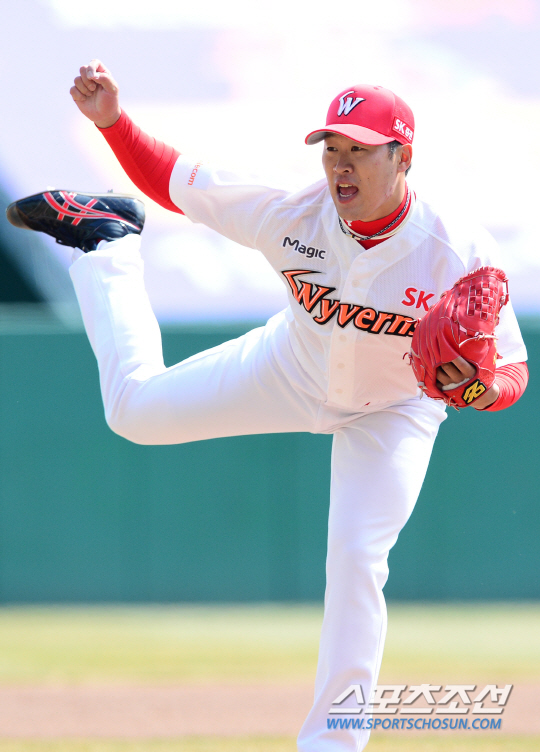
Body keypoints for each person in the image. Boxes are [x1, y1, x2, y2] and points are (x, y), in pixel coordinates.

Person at [7, 60, 529, 751]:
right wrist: (112, 122)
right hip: (291, 366)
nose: (340, 165)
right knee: (131, 411)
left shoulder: (455, 250)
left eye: (359, 150)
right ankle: (106, 243)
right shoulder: (293, 210)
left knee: (358, 558)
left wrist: (478, 389)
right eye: (331, 148)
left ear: (403, 157)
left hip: (394, 407)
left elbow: (511, 370)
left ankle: (332, 743)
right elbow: (175, 180)